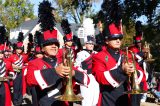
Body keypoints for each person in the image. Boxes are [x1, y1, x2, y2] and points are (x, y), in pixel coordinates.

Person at [26, 1, 90, 105]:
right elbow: (30, 79)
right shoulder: (35, 63)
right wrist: (55, 71)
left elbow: (87, 79)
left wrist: (73, 73)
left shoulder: (63, 61)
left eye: (56, 43)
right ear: (42, 48)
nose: (53, 46)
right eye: (49, 44)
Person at [74, 35, 99, 106]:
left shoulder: (96, 54)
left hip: (94, 77)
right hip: (85, 77)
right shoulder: (80, 54)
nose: (91, 45)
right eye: (89, 43)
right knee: (86, 99)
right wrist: (82, 73)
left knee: (95, 98)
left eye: (92, 44)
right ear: (85, 44)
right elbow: (76, 66)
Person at [8, 32, 28, 105]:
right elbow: (8, 64)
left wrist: (24, 66)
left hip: (21, 74)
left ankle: (20, 100)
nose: (19, 50)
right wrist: (13, 66)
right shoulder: (12, 56)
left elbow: (26, 63)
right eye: (18, 49)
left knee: (21, 87)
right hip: (15, 74)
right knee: (16, 88)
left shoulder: (24, 56)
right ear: (15, 49)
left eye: (20, 49)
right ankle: (15, 101)